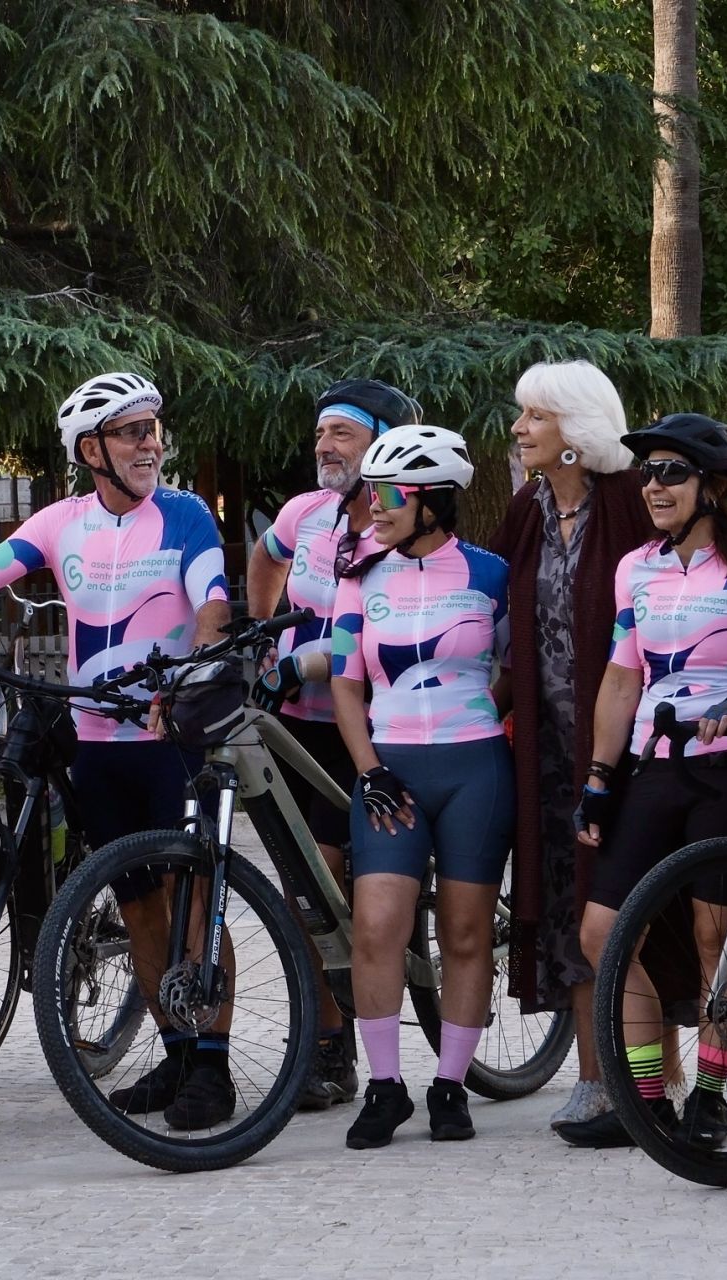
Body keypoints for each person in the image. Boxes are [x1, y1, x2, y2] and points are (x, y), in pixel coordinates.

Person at [0, 371, 236, 1129]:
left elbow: (212, 602)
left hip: (167, 737)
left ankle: (214, 1067)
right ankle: (178, 1056)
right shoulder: (60, 521)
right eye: (133, 431)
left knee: (191, 903)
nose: (152, 443)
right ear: (91, 449)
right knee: (138, 904)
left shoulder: (185, 516)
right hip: (98, 740)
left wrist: (197, 669)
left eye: (154, 428)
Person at [555, 415, 727, 1149]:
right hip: (654, 766)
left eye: (672, 472)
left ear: (714, 487)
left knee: (714, 936)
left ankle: (715, 1095)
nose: (653, 485)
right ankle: (650, 1100)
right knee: (603, 933)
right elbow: (622, 675)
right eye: (648, 472)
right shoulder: (638, 567)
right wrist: (599, 776)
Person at [329, 425, 512, 1147]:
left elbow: (515, 672)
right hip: (390, 774)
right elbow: (346, 687)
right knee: (376, 929)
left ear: (433, 500)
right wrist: (370, 769)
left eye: (389, 493)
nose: (374, 505)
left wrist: (474, 726)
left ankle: (450, 1087)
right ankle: (383, 1087)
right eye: (371, 491)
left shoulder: (492, 573)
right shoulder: (359, 577)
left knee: (466, 935)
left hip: (475, 771)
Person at [246, 378, 422, 1112]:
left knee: (326, 872)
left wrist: (306, 657)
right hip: (301, 719)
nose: (324, 446)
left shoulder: (400, 520)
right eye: (320, 434)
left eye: (342, 435)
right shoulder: (305, 513)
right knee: (304, 884)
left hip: (376, 719)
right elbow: (264, 559)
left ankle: (335, 1043)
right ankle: (325, 1036)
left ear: (381, 442)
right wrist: (262, 638)